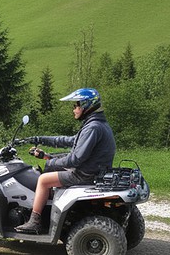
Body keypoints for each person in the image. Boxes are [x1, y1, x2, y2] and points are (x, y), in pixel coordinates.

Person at [15, 88, 116, 234]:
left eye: (76, 106)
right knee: (51, 167)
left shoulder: (92, 128)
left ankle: (34, 221)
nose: (74, 110)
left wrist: (51, 161)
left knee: (43, 180)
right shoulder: (96, 124)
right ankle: (48, 207)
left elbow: (75, 159)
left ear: (86, 105)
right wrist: (40, 140)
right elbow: (69, 141)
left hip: (84, 174)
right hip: (93, 170)